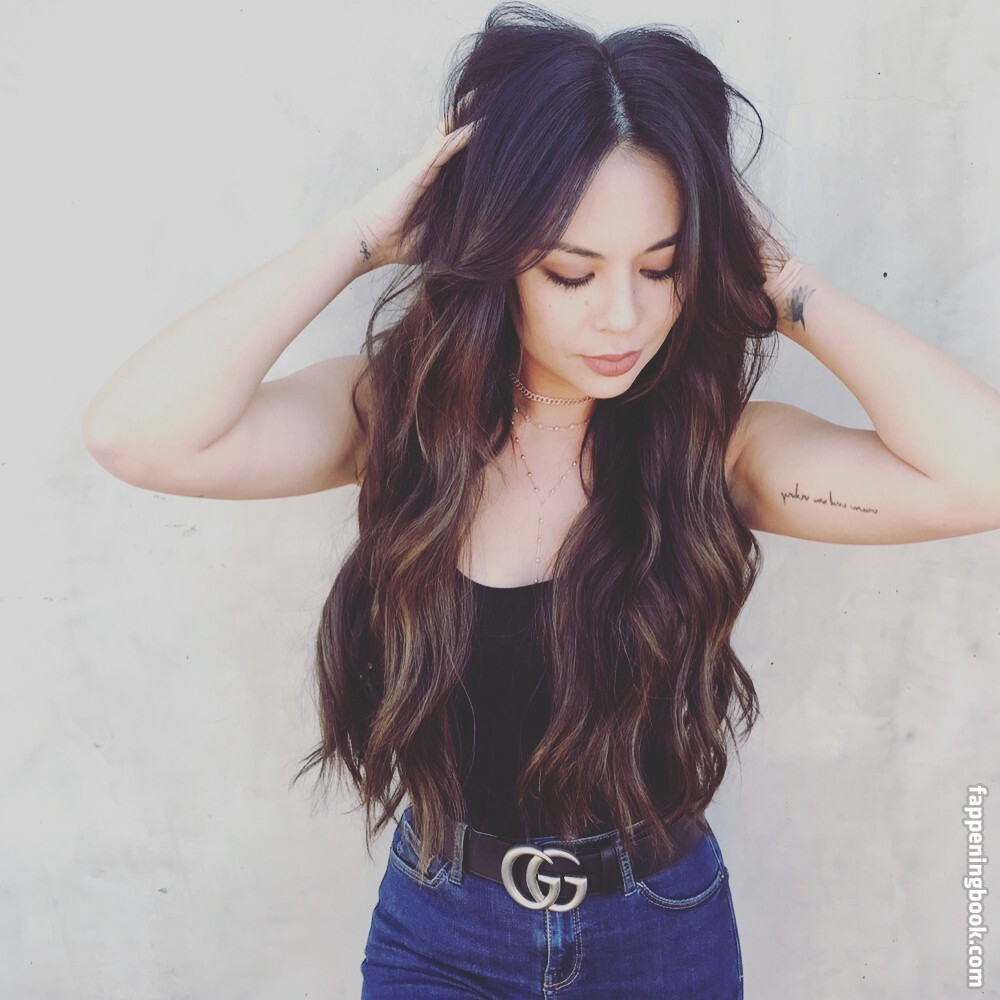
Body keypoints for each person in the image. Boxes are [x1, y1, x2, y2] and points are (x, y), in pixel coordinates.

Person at [82, 3, 1000, 997]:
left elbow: (978, 475)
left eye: (662, 266)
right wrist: (362, 237)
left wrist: (781, 283)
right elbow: (140, 435)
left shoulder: (719, 448)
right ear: (500, 255)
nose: (624, 316)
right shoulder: (394, 419)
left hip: (661, 937)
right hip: (442, 934)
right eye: (571, 273)